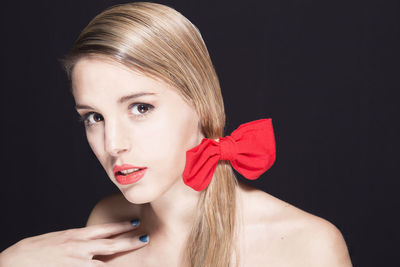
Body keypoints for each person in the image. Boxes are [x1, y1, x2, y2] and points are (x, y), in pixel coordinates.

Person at [0, 2, 353, 267]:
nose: (113, 144)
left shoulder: (307, 246)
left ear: (201, 103)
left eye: (140, 107)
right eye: (94, 117)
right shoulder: (107, 222)